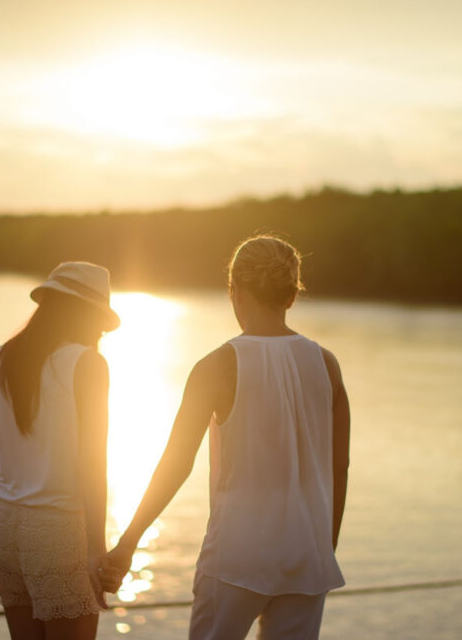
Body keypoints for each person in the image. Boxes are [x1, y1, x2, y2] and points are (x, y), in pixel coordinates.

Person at [104, 236, 350, 640]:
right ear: (291, 296)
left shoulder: (216, 366)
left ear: (234, 291)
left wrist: (127, 543)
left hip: (237, 555)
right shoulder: (327, 364)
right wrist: (325, 548)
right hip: (307, 557)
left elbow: (176, 463)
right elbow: (338, 467)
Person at [0, 261, 121, 640]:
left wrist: (11, 504)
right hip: (60, 529)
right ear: (84, 313)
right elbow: (92, 464)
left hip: (4, 524)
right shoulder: (88, 364)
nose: (102, 332)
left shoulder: (0, 358)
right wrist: (96, 549)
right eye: (100, 322)